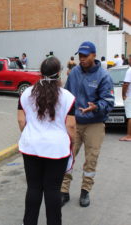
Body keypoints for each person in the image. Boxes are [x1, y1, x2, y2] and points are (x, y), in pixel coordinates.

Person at [18, 56, 76, 225]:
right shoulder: (67, 96)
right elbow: (71, 126)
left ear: (41, 73)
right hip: (56, 150)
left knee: (34, 188)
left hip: (31, 147)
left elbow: (21, 121)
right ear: (58, 74)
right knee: (52, 191)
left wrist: (31, 134)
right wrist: (71, 142)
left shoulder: (26, 93)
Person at [61, 41, 114, 208]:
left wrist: (97, 107)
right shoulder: (74, 72)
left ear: (94, 55)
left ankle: (85, 191)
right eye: (80, 56)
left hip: (95, 124)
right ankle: (64, 191)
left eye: (85, 56)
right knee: (67, 157)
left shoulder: (104, 76)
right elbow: (67, 96)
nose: (82, 59)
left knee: (91, 159)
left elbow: (109, 102)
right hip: (75, 123)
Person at [120, 55, 131, 141]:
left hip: (129, 96)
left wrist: (123, 95)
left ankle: (129, 136)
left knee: (130, 117)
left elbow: (126, 84)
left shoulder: (129, 71)